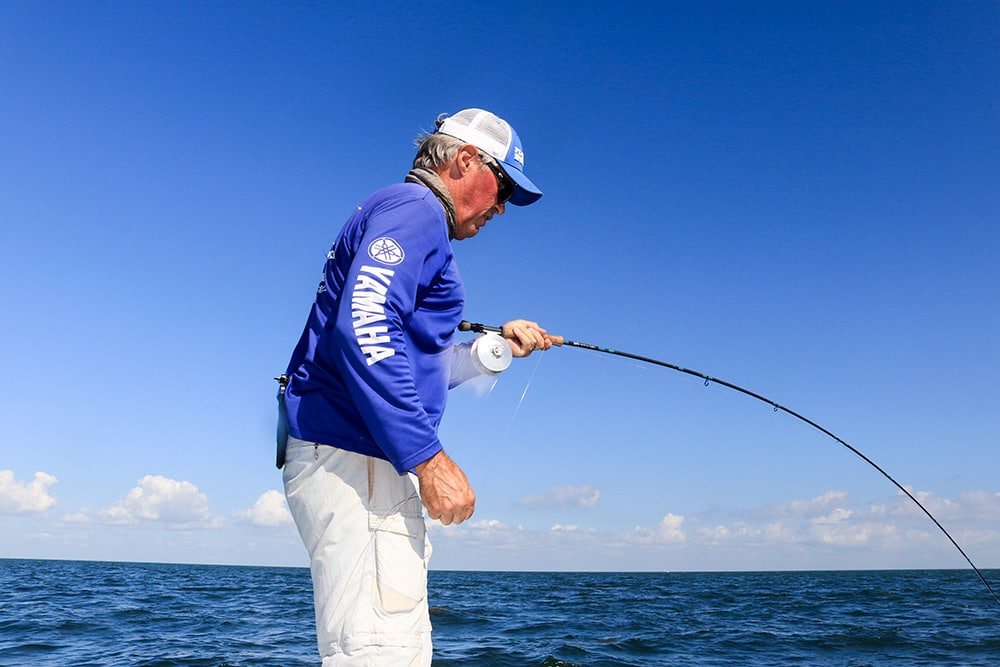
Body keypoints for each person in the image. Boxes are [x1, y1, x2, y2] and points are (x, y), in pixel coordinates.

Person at [277, 108, 551, 666]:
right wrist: (429, 459)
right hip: (359, 458)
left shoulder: (406, 217)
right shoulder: (416, 209)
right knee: (382, 652)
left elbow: (409, 356)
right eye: (502, 187)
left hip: (362, 459)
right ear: (465, 160)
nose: (501, 207)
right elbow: (367, 323)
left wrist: (492, 349)